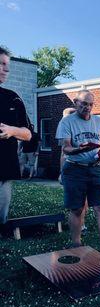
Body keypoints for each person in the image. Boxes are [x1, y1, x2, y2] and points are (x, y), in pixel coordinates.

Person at [55, 89, 100, 257]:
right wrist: (79, 149)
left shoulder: (98, 121)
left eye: (90, 104)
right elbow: (66, 148)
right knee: (76, 209)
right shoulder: (67, 122)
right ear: (76, 103)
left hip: (97, 169)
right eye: (84, 104)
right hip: (74, 169)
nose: (87, 107)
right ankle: (76, 244)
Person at [0, 46, 32, 233]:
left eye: (8, 65)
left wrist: (12, 130)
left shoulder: (13, 98)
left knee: (1, 220)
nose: (7, 69)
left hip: (4, 170)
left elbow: (28, 134)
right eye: (2, 64)